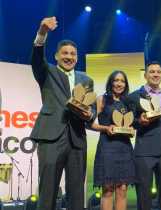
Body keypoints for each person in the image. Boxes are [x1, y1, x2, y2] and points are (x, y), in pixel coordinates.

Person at [30, 17, 95, 210]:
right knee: (48, 189)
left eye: (73, 54)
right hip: (51, 137)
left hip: (77, 139)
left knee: (77, 192)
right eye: (65, 53)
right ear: (57, 56)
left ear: (77, 57)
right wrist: (42, 32)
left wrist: (89, 115)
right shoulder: (46, 71)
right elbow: (36, 56)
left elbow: (92, 113)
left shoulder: (86, 79)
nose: (69, 57)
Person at [126, 61, 161, 210]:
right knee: (144, 194)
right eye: (152, 72)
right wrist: (139, 121)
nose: (156, 74)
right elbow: (128, 122)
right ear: (145, 75)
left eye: (158, 72)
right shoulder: (134, 96)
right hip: (144, 152)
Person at [92, 70, 136, 210]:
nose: (119, 84)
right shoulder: (102, 99)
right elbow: (90, 123)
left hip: (124, 149)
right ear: (111, 82)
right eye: (116, 80)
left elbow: (132, 124)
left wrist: (131, 131)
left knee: (122, 190)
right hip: (107, 148)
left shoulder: (128, 102)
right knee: (108, 190)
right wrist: (106, 128)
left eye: (122, 81)